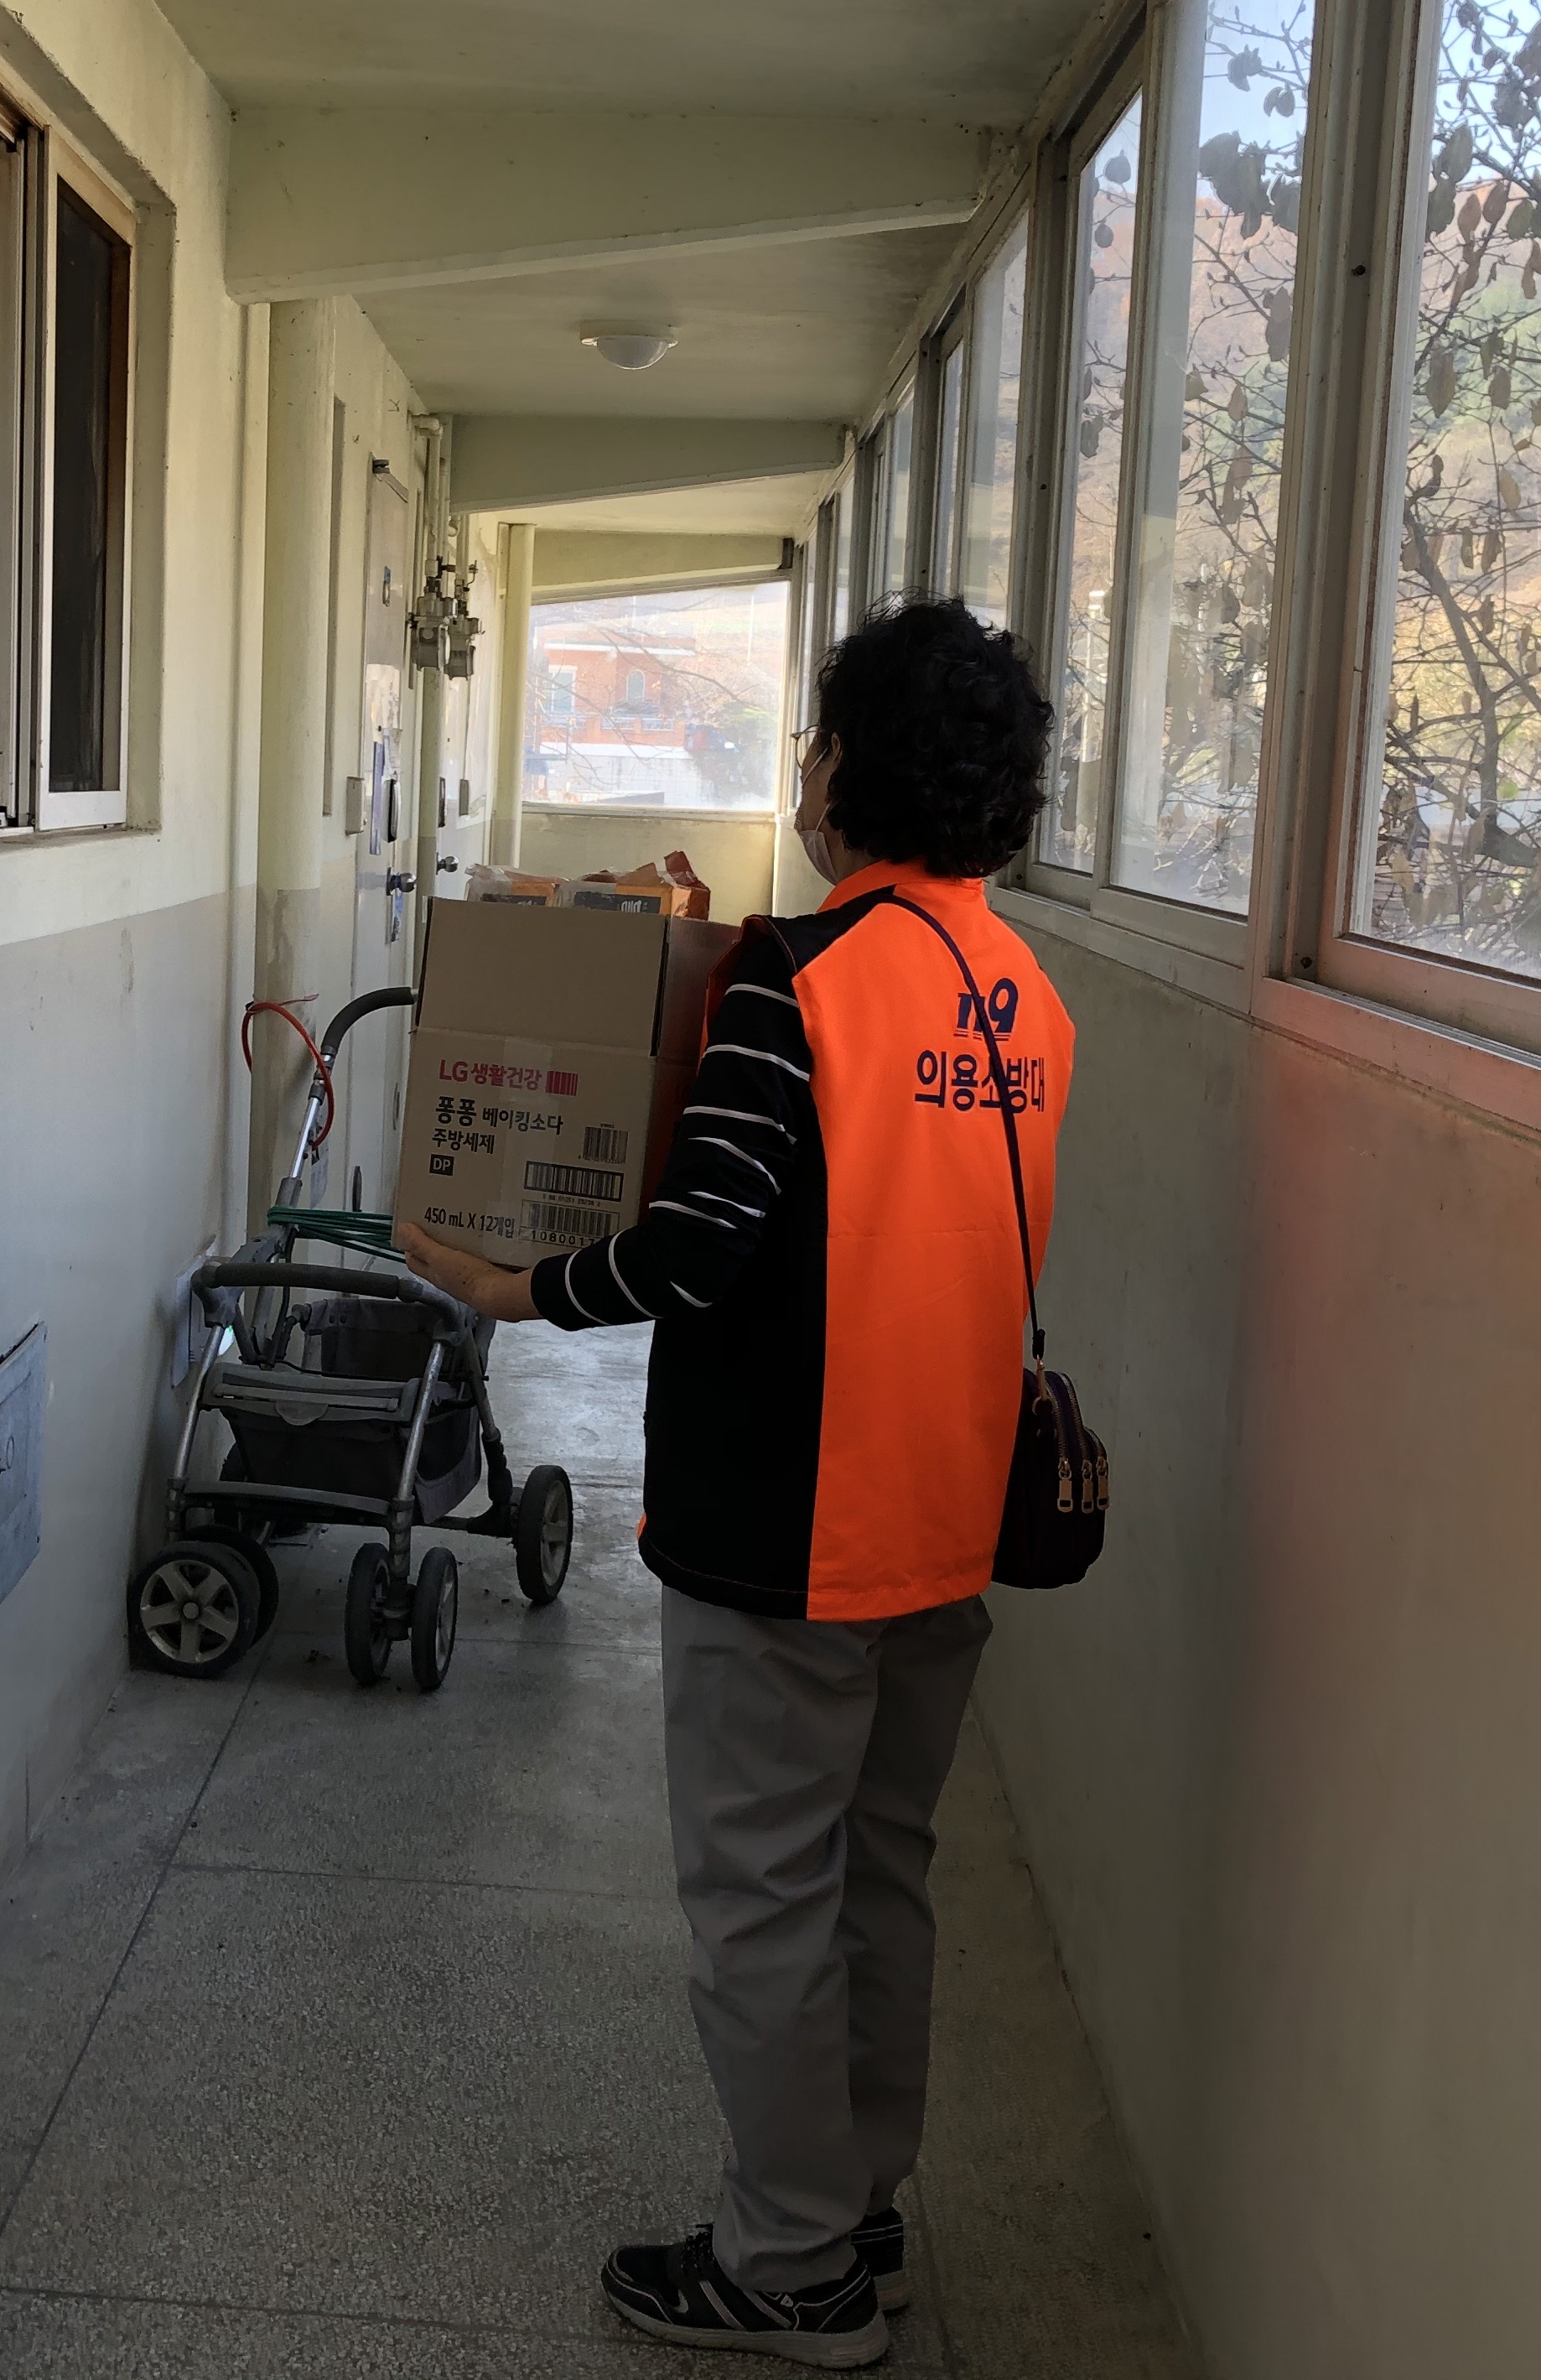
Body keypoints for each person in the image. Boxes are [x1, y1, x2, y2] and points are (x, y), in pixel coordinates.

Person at [399, 596, 1071, 2370]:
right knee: (880, 1881)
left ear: (848, 770)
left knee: (764, 1905)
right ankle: (859, 2212)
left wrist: (511, 1290)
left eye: (819, 742)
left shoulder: (802, 981)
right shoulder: (1023, 997)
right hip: (945, 1526)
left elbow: (697, 1247)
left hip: (789, 1526)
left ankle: (789, 2267)